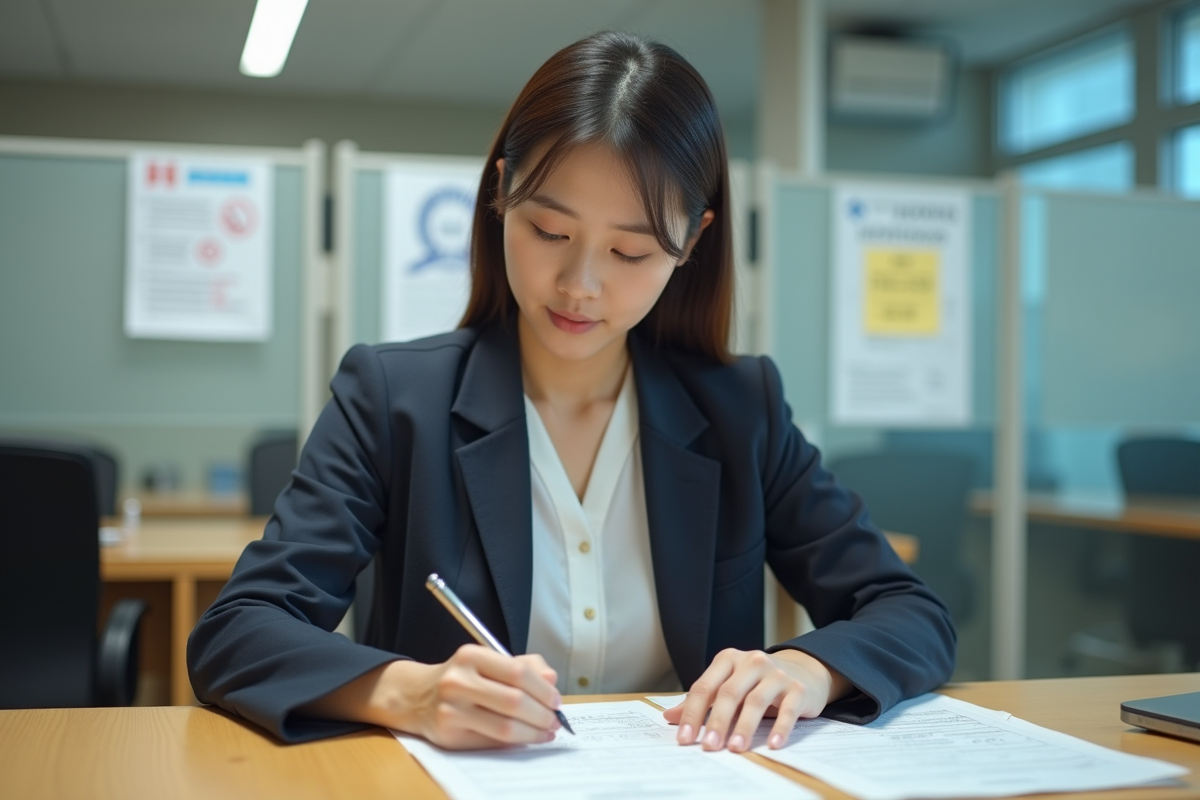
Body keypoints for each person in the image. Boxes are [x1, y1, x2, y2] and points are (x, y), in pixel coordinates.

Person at [188, 31, 955, 752]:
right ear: (500, 195)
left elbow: (910, 612)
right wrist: (410, 693)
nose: (580, 286)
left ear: (693, 242)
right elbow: (240, 631)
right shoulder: (395, 399)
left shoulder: (739, 409)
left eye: (630, 250)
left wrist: (804, 668)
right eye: (549, 232)